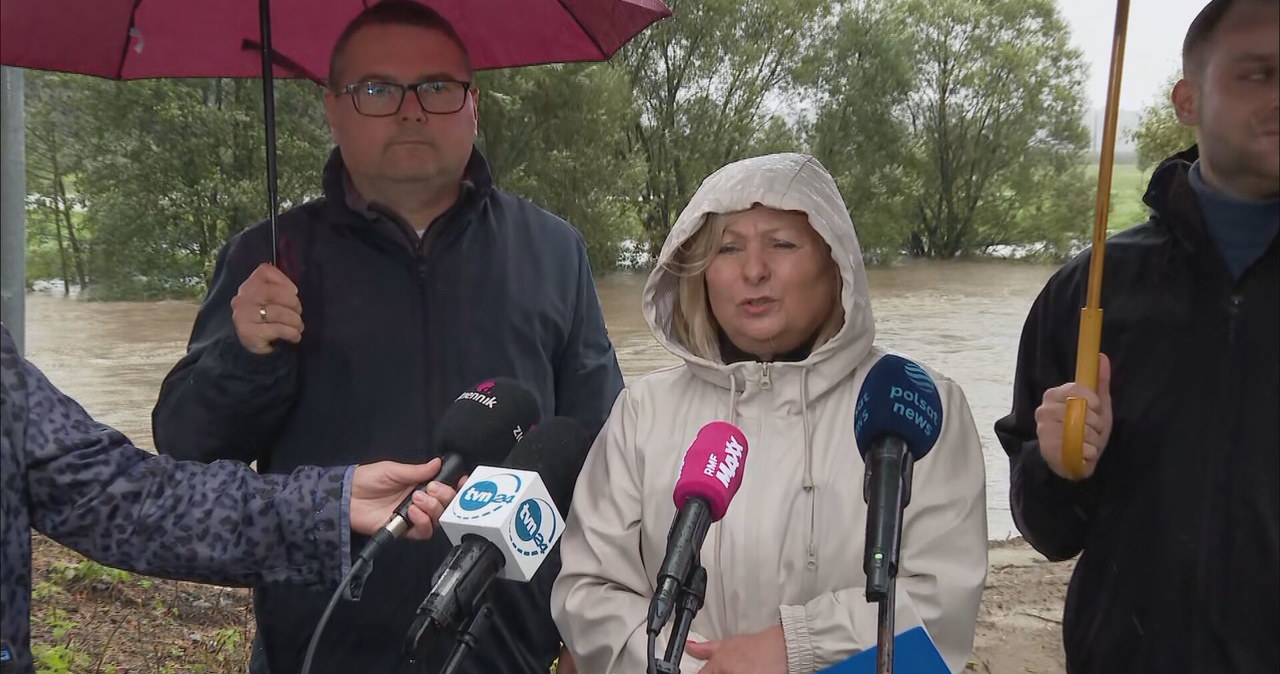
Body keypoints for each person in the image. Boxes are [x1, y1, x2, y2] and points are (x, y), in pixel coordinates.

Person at [149, 3, 623, 672]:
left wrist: (590, 628)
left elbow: (605, 451)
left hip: (507, 650)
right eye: (376, 89)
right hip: (318, 648)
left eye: (437, 87)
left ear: (473, 105)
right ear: (331, 109)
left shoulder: (552, 251)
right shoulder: (268, 258)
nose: (410, 110)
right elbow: (186, 450)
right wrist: (242, 355)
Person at [551, 153, 988, 673]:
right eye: (728, 248)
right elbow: (589, 589)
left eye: (782, 244)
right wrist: (687, 667)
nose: (753, 270)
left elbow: (942, 605)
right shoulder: (643, 411)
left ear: (837, 260)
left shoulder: (915, 405)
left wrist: (798, 648)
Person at [994, 1, 1279, 671]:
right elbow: (1047, 532)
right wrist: (1057, 467)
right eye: (1257, 75)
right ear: (1188, 99)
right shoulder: (1088, 291)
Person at [0, 324, 454, 674]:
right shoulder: (257, 258)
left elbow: (119, 495)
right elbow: (187, 435)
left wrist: (328, 504)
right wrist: (244, 353)